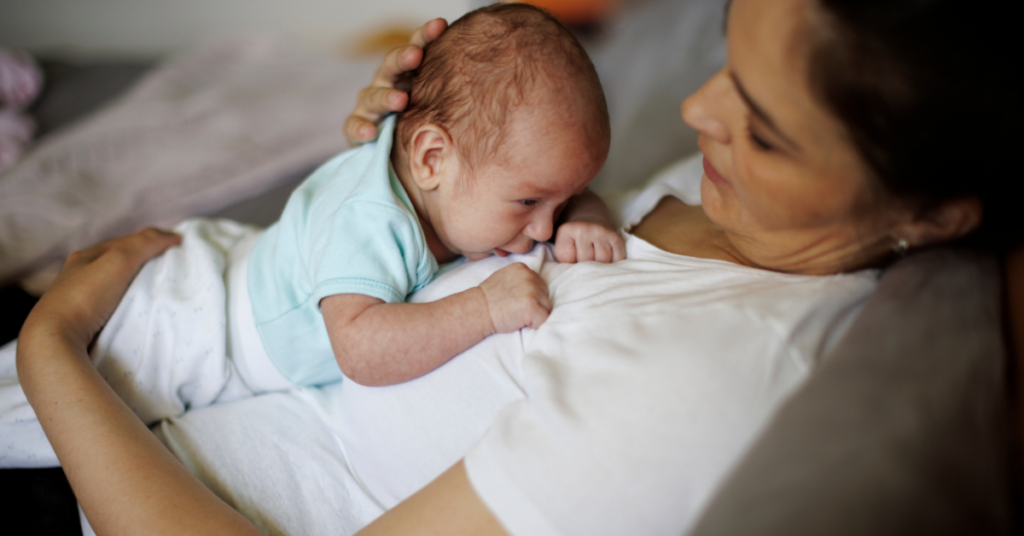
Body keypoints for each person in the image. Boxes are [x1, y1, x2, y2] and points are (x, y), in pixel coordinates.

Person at [11, 0, 1018, 534]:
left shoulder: (700, 385)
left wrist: (56, 343)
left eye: (760, 127)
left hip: (104, 467)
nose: (695, 111)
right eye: (724, 57)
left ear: (929, 209)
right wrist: (397, 178)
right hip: (156, 369)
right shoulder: (731, 206)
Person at [51, 3, 623, 427]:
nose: (545, 230)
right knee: (50, 410)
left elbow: (564, 196)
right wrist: (483, 307)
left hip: (239, 265)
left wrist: (588, 217)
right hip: (194, 327)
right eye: (528, 204)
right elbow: (361, 349)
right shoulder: (372, 220)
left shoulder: (484, 177)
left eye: (562, 200)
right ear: (431, 158)